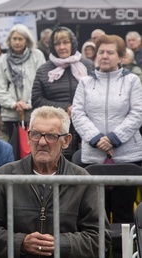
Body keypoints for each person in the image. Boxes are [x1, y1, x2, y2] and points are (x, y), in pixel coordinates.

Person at [0, 106, 111, 258]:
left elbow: (100, 237)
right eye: (35, 134)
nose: (42, 142)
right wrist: (21, 242)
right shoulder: (3, 176)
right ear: (28, 137)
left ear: (66, 141)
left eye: (51, 136)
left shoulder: (83, 181)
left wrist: (60, 244)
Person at [72, 34, 142, 225]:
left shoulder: (132, 81)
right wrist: (96, 139)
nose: (104, 56)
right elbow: (78, 114)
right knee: (95, 214)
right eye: (101, 52)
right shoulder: (85, 82)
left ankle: (122, 253)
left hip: (127, 156)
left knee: (123, 213)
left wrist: (112, 139)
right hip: (93, 155)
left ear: (121, 57)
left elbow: (137, 113)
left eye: (110, 52)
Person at [32, 26, 94, 160]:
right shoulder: (44, 70)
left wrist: (79, 108)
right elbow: (36, 100)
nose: (62, 47)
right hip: (56, 130)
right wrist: (65, 107)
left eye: (65, 42)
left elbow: (97, 94)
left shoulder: (87, 65)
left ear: (73, 44)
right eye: (57, 43)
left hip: (86, 129)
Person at [0, 24, 45, 140]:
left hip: (33, 113)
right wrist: (13, 104)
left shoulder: (37, 56)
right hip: (10, 114)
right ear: (9, 40)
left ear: (26, 40)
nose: (17, 42)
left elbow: (42, 83)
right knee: (13, 150)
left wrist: (29, 103)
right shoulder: (3, 59)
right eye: (14, 39)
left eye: (20, 39)